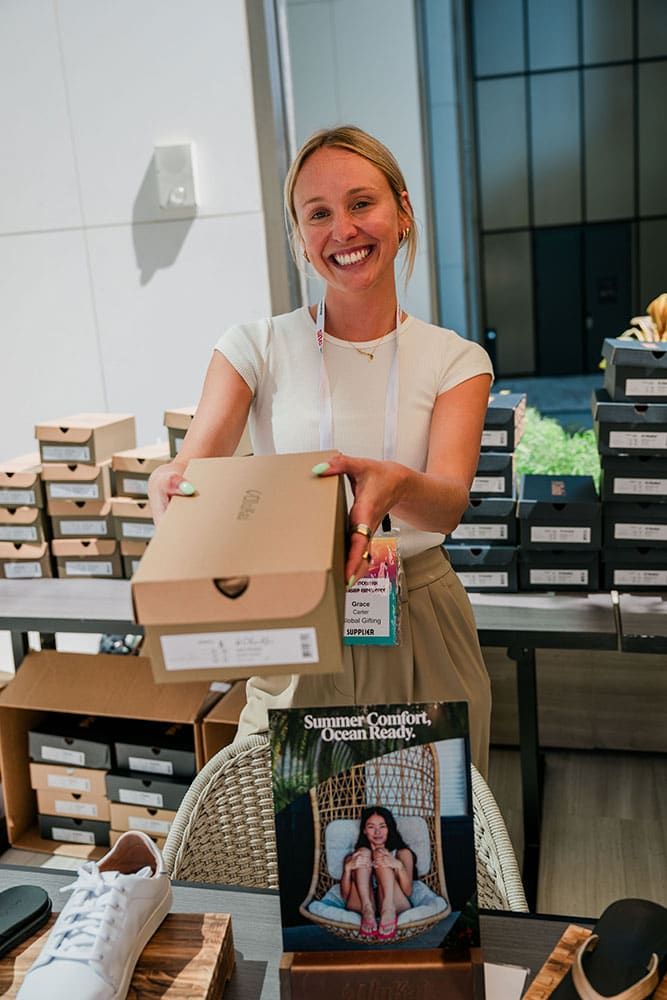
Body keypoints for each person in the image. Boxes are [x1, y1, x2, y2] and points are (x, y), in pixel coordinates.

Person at [148, 125, 494, 775]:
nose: (343, 229)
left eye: (361, 203)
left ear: (402, 210)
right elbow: (196, 460)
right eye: (318, 214)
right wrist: (169, 480)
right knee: (300, 823)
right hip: (295, 619)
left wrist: (394, 483)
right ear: (299, 236)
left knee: (426, 824)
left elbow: (447, 505)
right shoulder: (254, 348)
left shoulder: (456, 360)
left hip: (419, 614)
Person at [341, 806, 416, 941]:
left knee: (380, 853)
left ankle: (387, 908)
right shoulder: (355, 857)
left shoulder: (402, 853)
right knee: (363, 853)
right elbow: (345, 896)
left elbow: (408, 892)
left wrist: (398, 865)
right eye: (371, 827)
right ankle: (367, 909)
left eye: (382, 826)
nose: (377, 832)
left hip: (394, 903)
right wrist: (347, 869)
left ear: (389, 828)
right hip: (362, 905)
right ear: (364, 830)